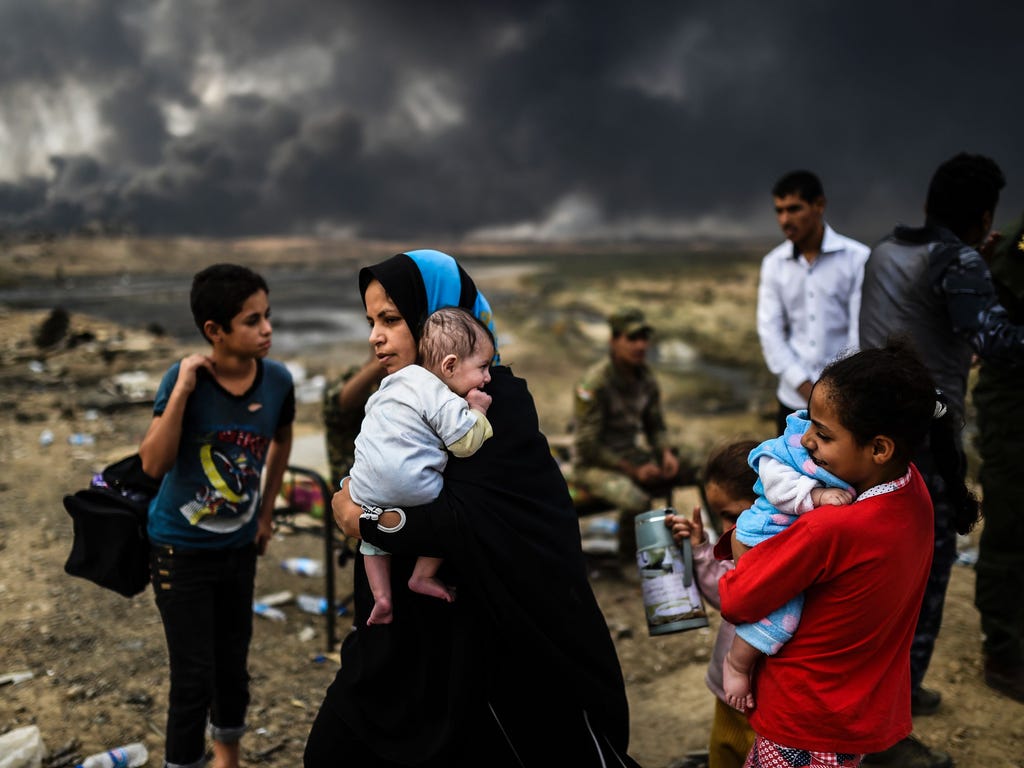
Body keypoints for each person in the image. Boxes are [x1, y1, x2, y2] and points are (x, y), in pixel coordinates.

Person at [305, 250, 637, 767]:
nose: (374, 337)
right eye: (370, 321)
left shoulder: (496, 403)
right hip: (400, 646)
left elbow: (468, 523)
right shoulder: (401, 396)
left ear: (440, 321)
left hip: (485, 654)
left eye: (391, 319)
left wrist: (360, 520)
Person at [718, 340, 968, 767]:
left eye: (824, 435)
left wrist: (741, 544)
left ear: (879, 448)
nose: (807, 442)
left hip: (801, 715)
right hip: (855, 710)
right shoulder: (913, 490)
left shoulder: (833, 526)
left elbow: (737, 598)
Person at [860, 152, 1024, 764]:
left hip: (869, 440)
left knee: (876, 579)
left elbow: (921, 305)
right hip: (927, 445)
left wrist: (970, 260)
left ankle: (887, 699)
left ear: (929, 205)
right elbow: (995, 342)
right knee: (923, 581)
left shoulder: (884, 251)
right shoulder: (957, 262)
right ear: (984, 217)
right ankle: (890, 733)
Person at [139, 263, 295, 768]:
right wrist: (183, 389)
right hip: (178, 551)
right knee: (192, 676)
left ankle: (228, 756)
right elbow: (153, 463)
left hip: (238, 548)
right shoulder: (183, 382)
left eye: (268, 316)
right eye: (252, 320)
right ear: (215, 331)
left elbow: (282, 437)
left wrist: (266, 513)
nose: (267, 328)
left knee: (232, 666)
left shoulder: (277, 381)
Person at [350, 306, 496, 625]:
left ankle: (382, 597)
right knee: (448, 515)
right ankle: (422, 576)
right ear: (450, 365)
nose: (488, 377)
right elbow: (465, 444)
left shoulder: (394, 382)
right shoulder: (441, 394)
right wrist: (477, 410)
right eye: (484, 367)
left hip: (362, 487)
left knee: (371, 542)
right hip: (415, 488)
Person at [722, 412, 856, 711]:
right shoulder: (786, 448)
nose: (811, 441)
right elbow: (777, 488)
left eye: (822, 434)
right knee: (781, 615)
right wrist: (817, 496)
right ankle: (737, 663)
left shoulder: (841, 450)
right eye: (815, 432)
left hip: (788, 540)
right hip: (765, 534)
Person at [571, 306, 696, 562]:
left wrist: (664, 452)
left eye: (644, 338)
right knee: (636, 501)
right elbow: (586, 446)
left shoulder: (646, 378)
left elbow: (655, 426)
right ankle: (628, 560)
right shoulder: (595, 383)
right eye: (632, 338)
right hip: (593, 465)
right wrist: (632, 469)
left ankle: (720, 546)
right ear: (614, 341)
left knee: (698, 465)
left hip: (630, 455)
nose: (641, 345)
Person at [665, 440, 759, 768]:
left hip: (764, 708)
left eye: (731, 516)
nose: (725, 530)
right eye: (719, 517)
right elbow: (726, 594)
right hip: (727, 697)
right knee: (723, 754)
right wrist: (701, 548)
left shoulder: (782, 562)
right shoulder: (744, 549)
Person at [757, 170, 869, 435]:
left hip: (846, 398)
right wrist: (806, 388)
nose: (785, 219)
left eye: (794, 209)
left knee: (841, 476)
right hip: (793, 401)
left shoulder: (857, 259)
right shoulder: (773, 264)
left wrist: (834, 390)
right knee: (788, 475)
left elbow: (860, 332)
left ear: (819, 205)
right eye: (779, 211)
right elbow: (770, 332)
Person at [972, 210, 1024, 703]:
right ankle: (1004, 653)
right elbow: (992, 333)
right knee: (1011, 529)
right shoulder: (1017, 247)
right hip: (1013, 419)